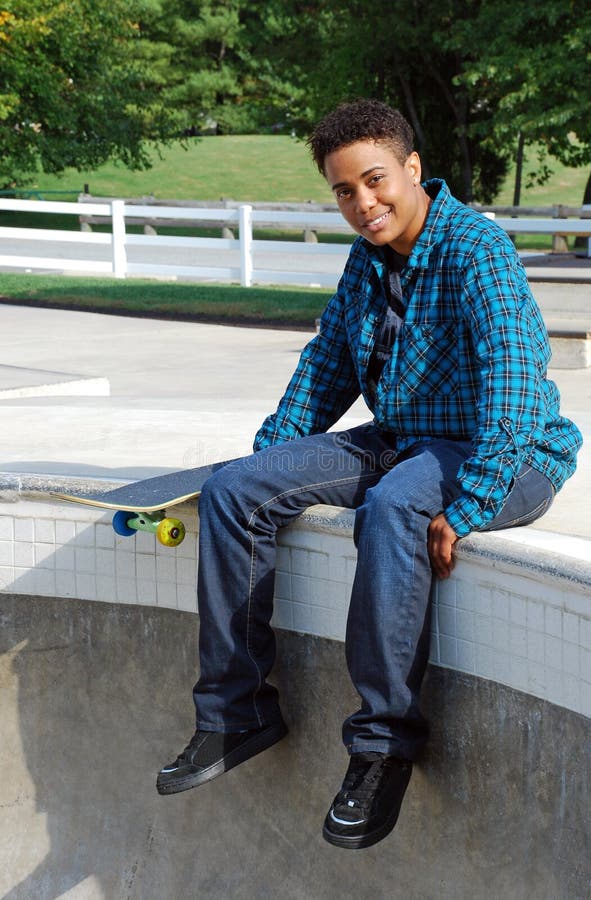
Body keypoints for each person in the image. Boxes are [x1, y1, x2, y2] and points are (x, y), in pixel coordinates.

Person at [156, 98, 582, 849]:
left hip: (504, 452)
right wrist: (267, 458)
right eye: (344, 191)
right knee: (233, 490)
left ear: (412, 169)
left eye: (375, 181)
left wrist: (474, 501)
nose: (363, 203)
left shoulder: (474, 249)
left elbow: (513, 386)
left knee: (392, 507)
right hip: (400, 436)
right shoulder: (367, 257)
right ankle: (236, 712)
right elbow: (325, 365)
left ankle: (382, 747)